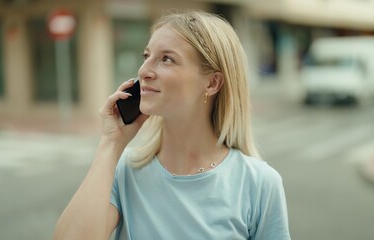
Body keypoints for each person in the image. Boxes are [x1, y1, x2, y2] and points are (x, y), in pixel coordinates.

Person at [54, 10, 291, 240]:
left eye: (166, 59)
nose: (144, 71)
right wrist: (111, 143)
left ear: (212, 83)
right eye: (146, 56)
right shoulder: (125, 170)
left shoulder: (259, 184)